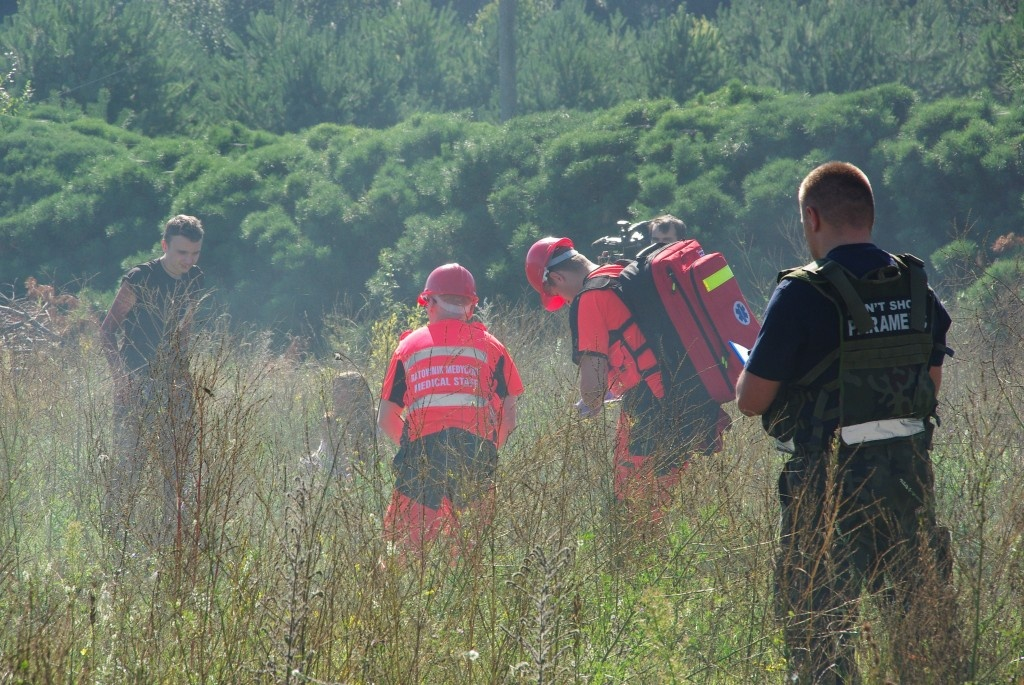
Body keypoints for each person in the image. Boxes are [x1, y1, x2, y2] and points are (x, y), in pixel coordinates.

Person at [735, 162, 961, 684]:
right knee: (922, 635)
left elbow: (751, 400)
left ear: (811, 217)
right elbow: (930, 384)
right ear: (869, 215)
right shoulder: (915, 285)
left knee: (821, 641)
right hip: (909, 480)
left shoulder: (801, 293)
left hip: (829, 485)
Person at [524, 237, 726, 531]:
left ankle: (638, 567)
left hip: (649, 409)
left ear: (556, 277)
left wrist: (588, 405)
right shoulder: (622, 274)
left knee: (634, 509)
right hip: (691, 397)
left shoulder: (590, 297)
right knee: (674, 506)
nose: (563, 299)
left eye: (555, 291)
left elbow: (592, 390)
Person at [377, 263, 523, 563]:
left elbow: (386, 417)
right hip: (476, 454)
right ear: (470, 306)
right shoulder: (492, 346)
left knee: (402, 555)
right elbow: (509, 417)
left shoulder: (408, 346)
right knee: (474, 555)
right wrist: (488, 452)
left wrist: (411, 451)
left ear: (430, 302)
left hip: (421, 456)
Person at [100, 214, 207, 547]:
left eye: (194, 253)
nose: (188, 261)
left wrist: (187, 381)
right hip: (137, 381)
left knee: (177, 467)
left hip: (175, 385)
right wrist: (121, 380)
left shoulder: (195, 280)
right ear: (165, 246)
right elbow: (107, 332)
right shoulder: (141, 278)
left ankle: (171, 538)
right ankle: (116, 538)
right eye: (181, 253)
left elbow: (184, 332)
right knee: (130, 466)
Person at [307, 370, 376, 479]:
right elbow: (325, 457)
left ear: (355, 392)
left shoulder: (374, 418)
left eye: (339, 391)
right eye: (334, 390)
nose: (334, 395)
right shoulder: (330, 421)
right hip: (333, 473)